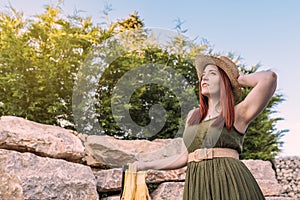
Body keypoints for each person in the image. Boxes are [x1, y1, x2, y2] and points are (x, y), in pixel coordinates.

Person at [135, 55, 277, 200]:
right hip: (198, 185)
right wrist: (145, 165)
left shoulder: (238, 113)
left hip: (230, 182)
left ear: (224, 82)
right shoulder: (192, 116)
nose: (204, 78)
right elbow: (183, 157)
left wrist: (236, 79)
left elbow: (268, 78)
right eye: (203, 76)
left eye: (212, 74)